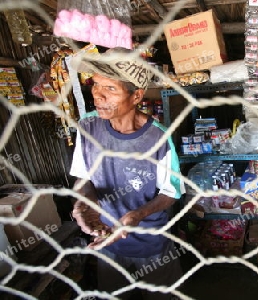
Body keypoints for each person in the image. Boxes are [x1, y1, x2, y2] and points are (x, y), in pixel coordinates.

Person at [69, 47, 185, 300]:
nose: (98, 95)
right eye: (96, 85)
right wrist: (84, 201)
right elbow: (84, 177)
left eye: (110, 89)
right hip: (107, 239)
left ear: (136, 96)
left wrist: (138, 214)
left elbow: (171, 192)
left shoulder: (159, 137)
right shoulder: (88, 126)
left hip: (152, 243)